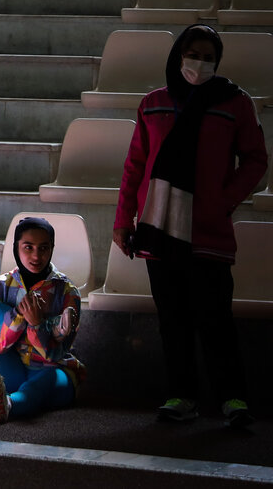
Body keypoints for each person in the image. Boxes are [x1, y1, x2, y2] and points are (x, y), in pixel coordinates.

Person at [113, 24, 267, 426]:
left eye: (207, 55)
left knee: (216, 319)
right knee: (173, 319)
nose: (199, 62)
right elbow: (134, 168)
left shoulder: (235, 104)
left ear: (217, 61)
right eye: (192, 53)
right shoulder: (153, 104)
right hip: (160, 228)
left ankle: (233, 400)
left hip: (208, 232)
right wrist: (122, 220)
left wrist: (223, 199)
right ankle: (182, 396)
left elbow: (255, 160)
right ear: (178, 55)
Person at [0, 217, 84, 422]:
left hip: (54, 373)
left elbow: (55, 355)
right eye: (28, 247)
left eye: (44, 248)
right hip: (13, 370)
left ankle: (9, 404)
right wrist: (19, 317)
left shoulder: (68, 292)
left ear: (52, 248)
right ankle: (9, 395)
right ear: (16, 248)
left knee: (46, 380)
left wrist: (36, 325)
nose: (36, 256)